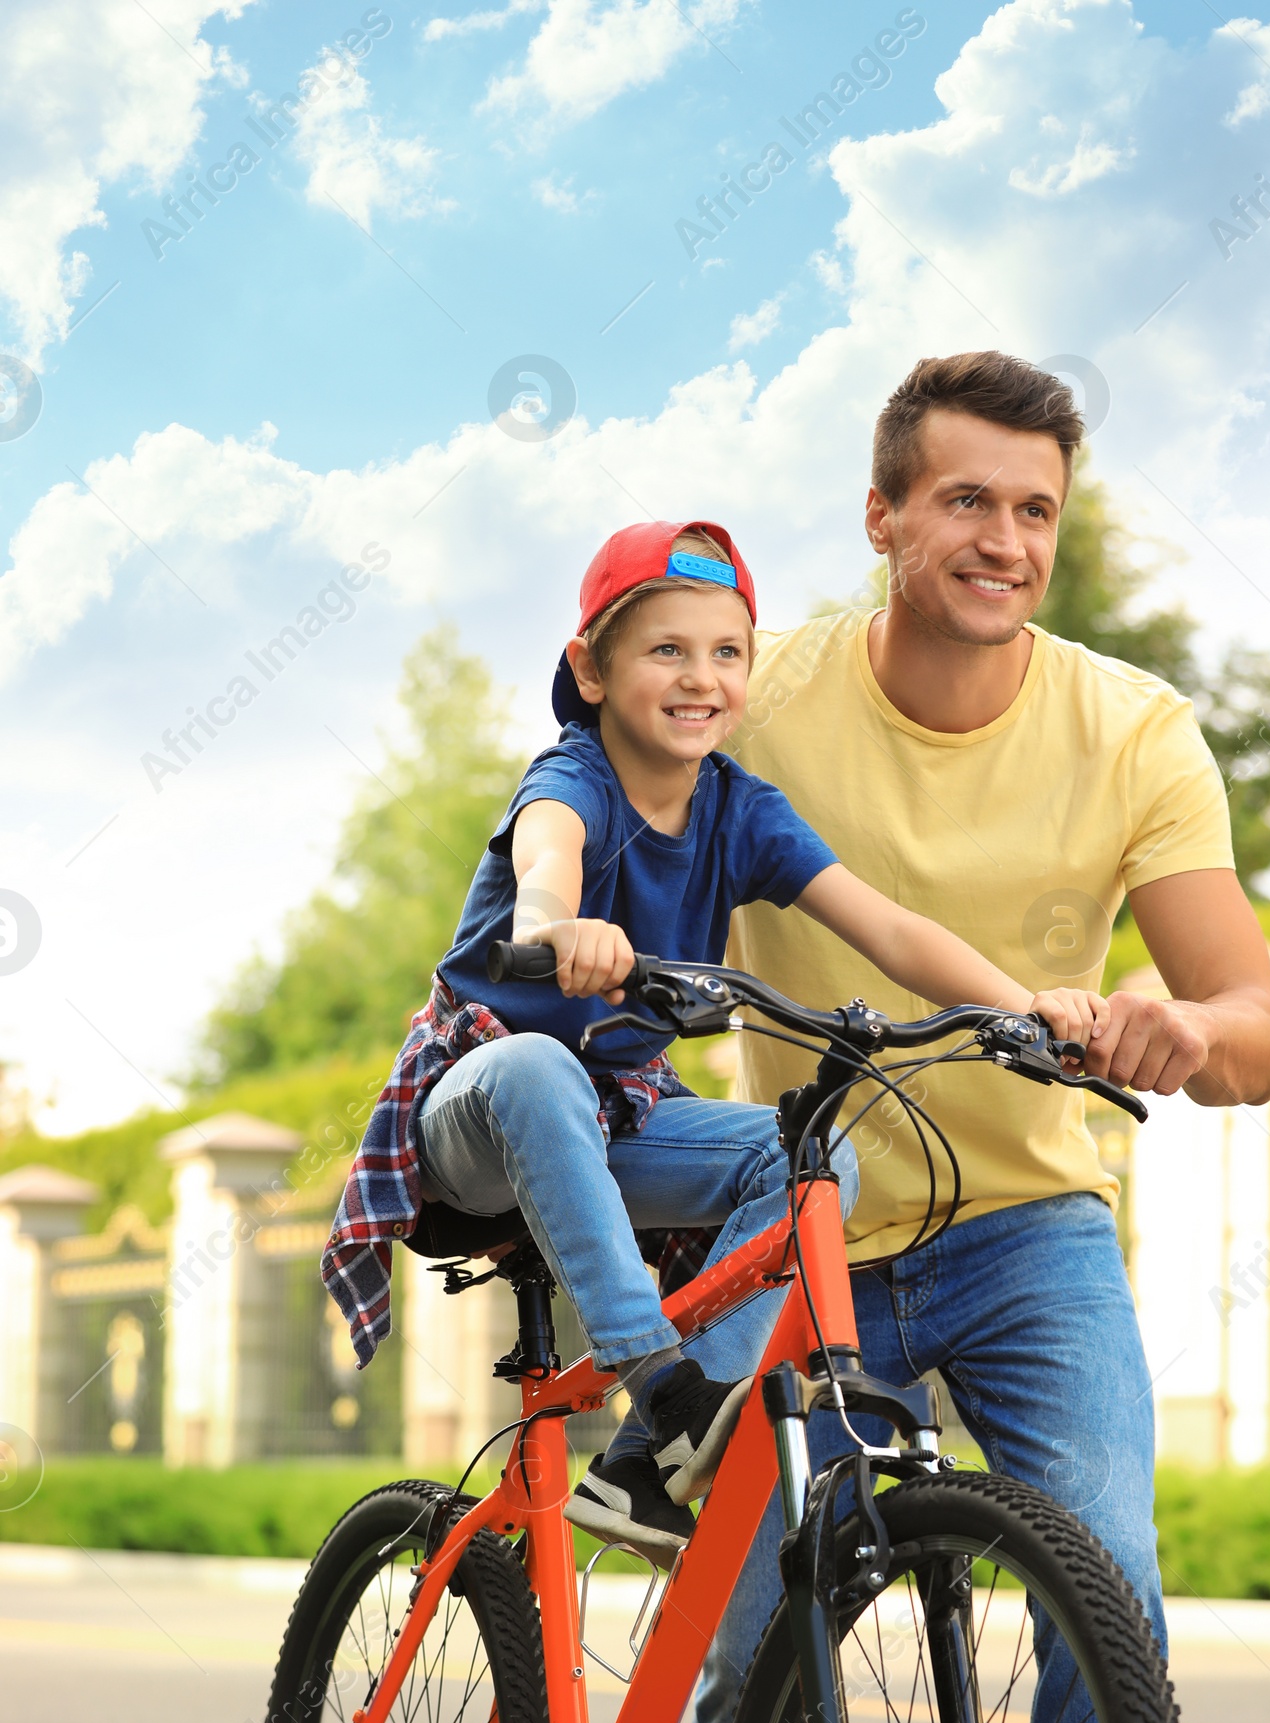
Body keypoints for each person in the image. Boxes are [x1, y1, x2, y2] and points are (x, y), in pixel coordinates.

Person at [628, 358, 1270, 1723]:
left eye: (1037, 513)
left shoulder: (1133, 729)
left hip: (1026, 1233)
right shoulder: (765, 699)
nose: (1006, 542)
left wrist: (1176, 1029)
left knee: (1107, 1580)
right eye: (970, 504)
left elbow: (1253, 1031)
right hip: (808, 1206)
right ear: (887, 520)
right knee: (758, 1605)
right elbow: (613, 806)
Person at [323, 517, 1108, 1563]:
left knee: (816, 1156)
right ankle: (665, 1384)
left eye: (726, 652)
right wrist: (553, 928)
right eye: (665, 650)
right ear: (590, 671)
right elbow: (545, 858)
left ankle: (644, 1461)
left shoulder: (740, 811)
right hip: (477, 1118)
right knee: (537, 1065)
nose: (701, 677)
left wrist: (1025, 1009)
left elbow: (889, 927)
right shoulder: (573, 779)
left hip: (617, 1121)